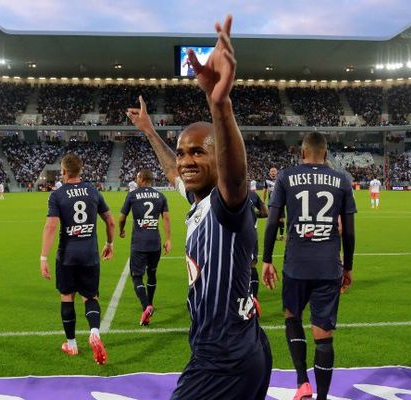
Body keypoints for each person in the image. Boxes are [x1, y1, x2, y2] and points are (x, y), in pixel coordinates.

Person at [126, 15, 271, 400]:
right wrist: (150, 132)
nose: (186, 160)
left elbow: (236, 178)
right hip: (246, 344)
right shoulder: (199, 203)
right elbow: (173, 170)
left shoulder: (228, 205)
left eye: (197, 152)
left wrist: (219, 104)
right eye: (183, 152)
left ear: (218, 159)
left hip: (222, 359)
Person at [262, 132, 357, 400]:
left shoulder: (285, 176)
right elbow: (349, 233)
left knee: (292, 316)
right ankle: (323, 398)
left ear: (302, 153)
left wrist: (267, 259)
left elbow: (271, 223)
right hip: (328, 266)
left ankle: (302, 381)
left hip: (296, 265)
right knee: (323, 335)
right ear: (325, 155)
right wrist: (347, 267)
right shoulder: (341, 180)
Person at [39, 153, 115, 365]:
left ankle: (71, 344)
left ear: (63, 172)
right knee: (90, 297)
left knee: (67, 296)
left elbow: (51, 226)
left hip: (67, 255)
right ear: (80, 170)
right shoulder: (93, 191)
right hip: (90, 254)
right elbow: (110, 221)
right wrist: (109, 244)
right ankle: (94, 333)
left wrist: (43, 257)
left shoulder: (57, 195)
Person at [119, 169, 172, 326]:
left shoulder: (132, 195)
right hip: (155, 242)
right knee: (152, 273)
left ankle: (146, 306)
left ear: (141, 179)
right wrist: (168, 239)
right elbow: (166, 219)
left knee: (136, 276)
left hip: (139, 243)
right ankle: (150, 302)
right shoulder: (161, 196)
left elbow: (122, 217)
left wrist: (121, 229)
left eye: (137, 178)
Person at [249, 181, 268, 316]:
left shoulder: (224, 194)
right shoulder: (252, 196)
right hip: (250, 235)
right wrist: (253, 215)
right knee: (251, 265)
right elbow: (265, 212)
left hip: (230, 236)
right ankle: (254, 297)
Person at [264, 167, 286, 240]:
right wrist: (263, 201)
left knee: (281, 219)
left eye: (274, 171)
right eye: (272, 171)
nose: (273, 172)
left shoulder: (280, 180)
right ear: (269, 173)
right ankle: (274, 236)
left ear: (277, 172)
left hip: (280, 203)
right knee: (272, 221)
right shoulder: (267, 181)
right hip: (271, 204)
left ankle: (281, 235)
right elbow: (265, 191)